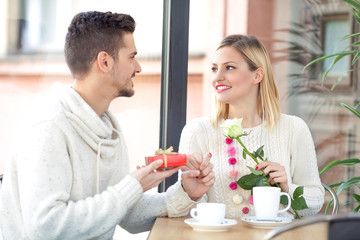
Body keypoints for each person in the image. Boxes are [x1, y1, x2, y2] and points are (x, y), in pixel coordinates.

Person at [0, 11, 214, 239]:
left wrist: (185, 194)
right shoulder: (49, 128)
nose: (138, 67)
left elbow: (128, 214)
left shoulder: (109, 129)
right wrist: (130, 187)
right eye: (132, 57)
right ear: (104, 62)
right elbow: (46, 227)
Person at [178, 34, 324, 219]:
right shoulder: (197, 131)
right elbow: (184, 213)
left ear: (257, 75)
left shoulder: (294, 128)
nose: (217, 77)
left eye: (229, 67)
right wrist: (193, 193)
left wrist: (288, 187)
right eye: (214, 69)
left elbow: (315, 203)